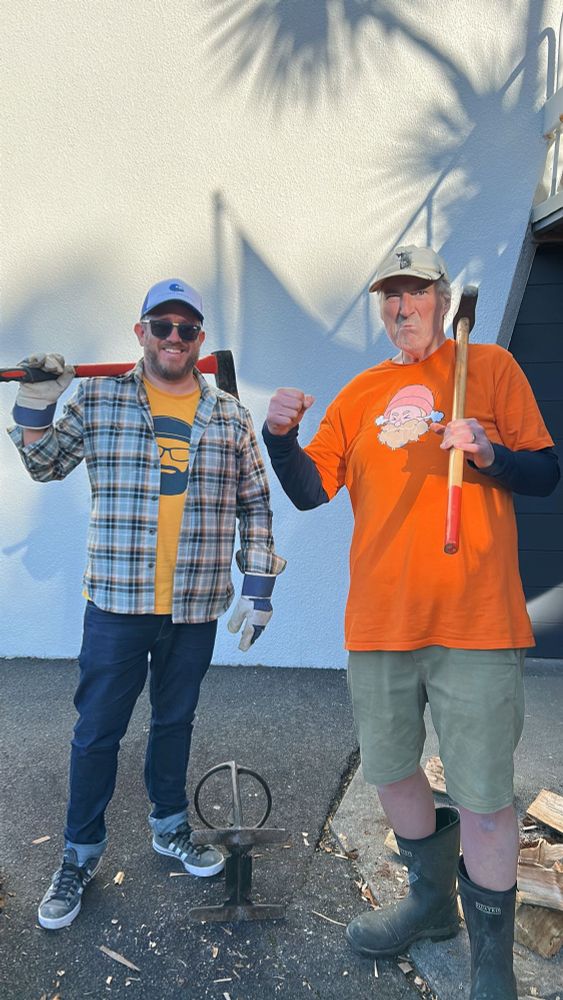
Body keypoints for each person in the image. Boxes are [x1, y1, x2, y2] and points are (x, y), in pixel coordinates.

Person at [262, 245, 560, 999]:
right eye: (388, 298)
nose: (401, 308)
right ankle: (432, 906)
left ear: (438, 297)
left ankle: (488, 961)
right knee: (393, 774)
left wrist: (488, 453)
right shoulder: (362, 392)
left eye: (414, 293)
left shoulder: (486, 368)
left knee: (485, 797)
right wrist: (279, 439)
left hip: (476, 623)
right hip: (379, 623)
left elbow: (545, 470)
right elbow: (308, 491)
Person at [9, 278, 285, 930]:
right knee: (97, 730)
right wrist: (35, 405)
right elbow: (43, 464)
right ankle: (79, 853)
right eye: (160, 326)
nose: (173, 337)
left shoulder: (230, 418)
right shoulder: (100, 399)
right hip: (117, 601)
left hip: (194, 606)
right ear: (141, 334)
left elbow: (256, 505)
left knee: (174, 721)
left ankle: (168, 827)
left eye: (186, 328)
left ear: (199, 341)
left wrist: (259, 588)